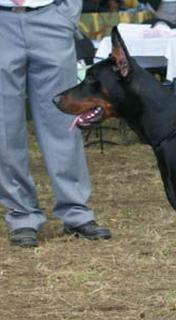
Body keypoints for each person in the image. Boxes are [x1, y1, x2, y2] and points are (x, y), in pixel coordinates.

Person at [0, 0, 111, 248]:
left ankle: (75, 211)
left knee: (62, 122)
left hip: (50, 17)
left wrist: (66, 16)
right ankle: (21, 215)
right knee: (4, 128)